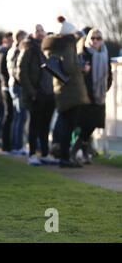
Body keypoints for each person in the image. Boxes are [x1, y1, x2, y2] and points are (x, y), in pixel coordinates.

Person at [41, 17, 90, 168]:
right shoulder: (68, 46)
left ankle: (63, 156)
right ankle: (65, 158)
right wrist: (81, 68)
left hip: (62, 90)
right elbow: (69, 67)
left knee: (64, 125)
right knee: (69, 126)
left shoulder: (54, 46)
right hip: (71, 90)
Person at [17, 25, 57, 166]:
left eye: (42, 30)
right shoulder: (28, 49)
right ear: (32, 34)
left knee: (46, 126)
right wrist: (32, 92)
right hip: (35, 94)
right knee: (33, 125)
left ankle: (45, 154)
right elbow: (21, 72)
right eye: (37, 31)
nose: (40, 33)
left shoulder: (50, 50)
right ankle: (32, 154)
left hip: (49, 94)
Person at [76, 28, 113, 164]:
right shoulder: (83, 53)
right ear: (88, 39)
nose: (95, 41)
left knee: (91, 127)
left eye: (98, 38)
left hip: (99, 96)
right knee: (86, 126)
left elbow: (109, 76)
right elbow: (77, 75)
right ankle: (75, 152)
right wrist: (84, 71)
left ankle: (83, 153)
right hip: (86, 95)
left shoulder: (105, 53)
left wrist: (104, 89)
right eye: (92, 38)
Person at [7, 30, 28, 155]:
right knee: (21, 117)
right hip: (18, 86)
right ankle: (18, 145)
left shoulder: (10, 51)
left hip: (12, 86)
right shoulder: (17, 51)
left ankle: (15, 145)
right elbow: (17, 71)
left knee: (17, 117)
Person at [0, 32, 14, 152]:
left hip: (6, 87)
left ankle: (5, 142)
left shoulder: (2, 53)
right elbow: (3, 72)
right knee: (8, 116)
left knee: (7, 116)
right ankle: (5, 144)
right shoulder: (3, 53)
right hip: (7, 88)